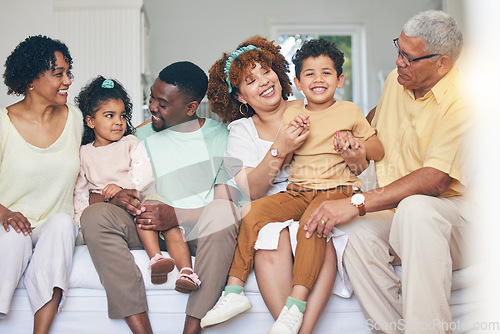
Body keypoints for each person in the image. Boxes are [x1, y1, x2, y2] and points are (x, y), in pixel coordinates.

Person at [303, 10, 474, 334]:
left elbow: (435, 180)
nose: (398, 63)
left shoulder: (464, 99)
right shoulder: (396, 83)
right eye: (399, 50)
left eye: (409, 58)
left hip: (461, 219)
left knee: (416, 209)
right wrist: (354, 135)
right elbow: (377, 122)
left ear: (442, 64)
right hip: (402, 211)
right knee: (353, 234)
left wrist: (355, 202)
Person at [202, 38, 384, 333]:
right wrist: (279, 148)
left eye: (266, 71)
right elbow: (252, 191)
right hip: (287, 196)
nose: (264, 81)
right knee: (269, 235)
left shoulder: (311, 103)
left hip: (327, 194)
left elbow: (359, 149)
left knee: (313, 228)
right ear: (240, 97)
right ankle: (235, 295)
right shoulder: (240, 131)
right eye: (251, 80)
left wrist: (356, 151)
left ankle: (299, 322)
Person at [80, 61, 241, 334]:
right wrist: (114, 198)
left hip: (196, 232)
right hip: (145, 228)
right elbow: (92, 191)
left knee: (223, 215)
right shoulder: (135, 136)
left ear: (190, 108)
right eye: (152, 98)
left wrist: (175, 215)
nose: (153, 107)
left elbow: (228, 205)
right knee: (94, 215)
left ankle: (191, 329)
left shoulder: (221, 137)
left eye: (162, 103)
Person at [73, 76, 200, 290]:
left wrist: (122, 188)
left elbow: (143, 173)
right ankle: (157, 259)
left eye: (122, 116)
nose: (118, 122)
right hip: (114, 212)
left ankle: (187, 272)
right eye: (109, 115)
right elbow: (80, 193)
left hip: (141, 197)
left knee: (169, 226)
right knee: (141, 219)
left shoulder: (130, 142)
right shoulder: (84, 154)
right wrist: (80, 227)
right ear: (90, 121)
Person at [0, 35, 82, 333]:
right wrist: (4, 214)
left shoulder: (74, 118)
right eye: (58, 73)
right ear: (32, 78)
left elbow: (109, 137)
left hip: (52, 227)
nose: (68, 81)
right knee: (13, 236)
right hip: (9, 223)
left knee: (63, 223)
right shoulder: (3, 123)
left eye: (68, 72)